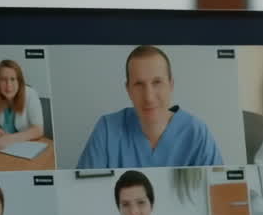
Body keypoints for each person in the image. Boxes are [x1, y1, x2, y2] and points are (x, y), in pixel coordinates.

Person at [76, 45, 224, 169]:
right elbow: (83, 193)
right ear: (128, 89)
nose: (149, 97)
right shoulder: (107, 130)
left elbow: (218, 191)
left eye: (157, 82)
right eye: (139, 84)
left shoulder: (196, 133)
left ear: (171, 85)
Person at [0, 60, 44, 150]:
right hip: (2, 148)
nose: (8, 85)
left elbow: (38, 130)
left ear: (19, 82)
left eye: (12, 79)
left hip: (25, 148)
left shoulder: (30, 94)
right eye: (3, 80)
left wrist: (10, 139)